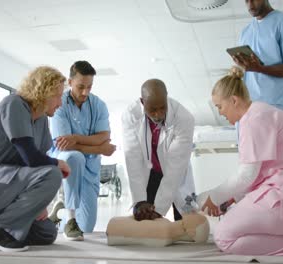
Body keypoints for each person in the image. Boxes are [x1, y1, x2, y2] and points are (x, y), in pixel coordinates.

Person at [198, 67, 283, 257]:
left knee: (223, 236)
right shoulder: (258, 114)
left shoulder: (254, 119)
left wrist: (214, 196)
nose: (220, 113)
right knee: (231, 223)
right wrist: (231, 199)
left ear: (233, 100)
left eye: (219, 106)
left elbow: (247, 175)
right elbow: (258, 172)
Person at [0, 66, 71, 252]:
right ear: (43, 92)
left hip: (10, 180)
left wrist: (38, 202)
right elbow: (32, 158)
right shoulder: (14, 105)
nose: (60, 103)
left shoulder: (42, 118)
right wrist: (58, 163)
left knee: (47, 234)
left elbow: (38, 160)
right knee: (53, 173)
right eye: (57, 96)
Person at [49, 61, 116, 241]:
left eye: (89, 87)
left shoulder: (99, 105)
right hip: (64, 159)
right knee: (74, 156)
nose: (85, 92)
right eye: (80, 87)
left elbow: (104, 136)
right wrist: (100, 148)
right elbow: (65, 145)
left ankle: (62, 211)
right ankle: (70, 217)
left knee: (86, 226)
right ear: (70, 82)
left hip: (90, 168)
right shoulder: (58, 103)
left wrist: (76, 138)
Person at [122, 79, 195, 222]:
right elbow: (133, 159)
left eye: (162, 107)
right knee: (144, 218)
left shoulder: (184, 118)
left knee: (187, 222)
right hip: (149, 173)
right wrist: (140, 200)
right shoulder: (130, 116)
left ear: (166, 97)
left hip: (175, 173)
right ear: (142, 102)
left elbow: (175, 168)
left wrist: (159, 209)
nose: (158, 114)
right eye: (152, 109)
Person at [233, 0, 283, 113]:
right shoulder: (245, 32)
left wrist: (260, 69)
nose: (250, 4)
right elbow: (248, 70)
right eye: (246, 0)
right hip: (250, 104)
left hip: (275, 105)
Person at [106, 213, 209, 247]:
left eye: (195, 217)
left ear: (191, 232)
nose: (192, 213)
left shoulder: (165, 231)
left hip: (114, 228)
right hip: (116, 227)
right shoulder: (166, 226)